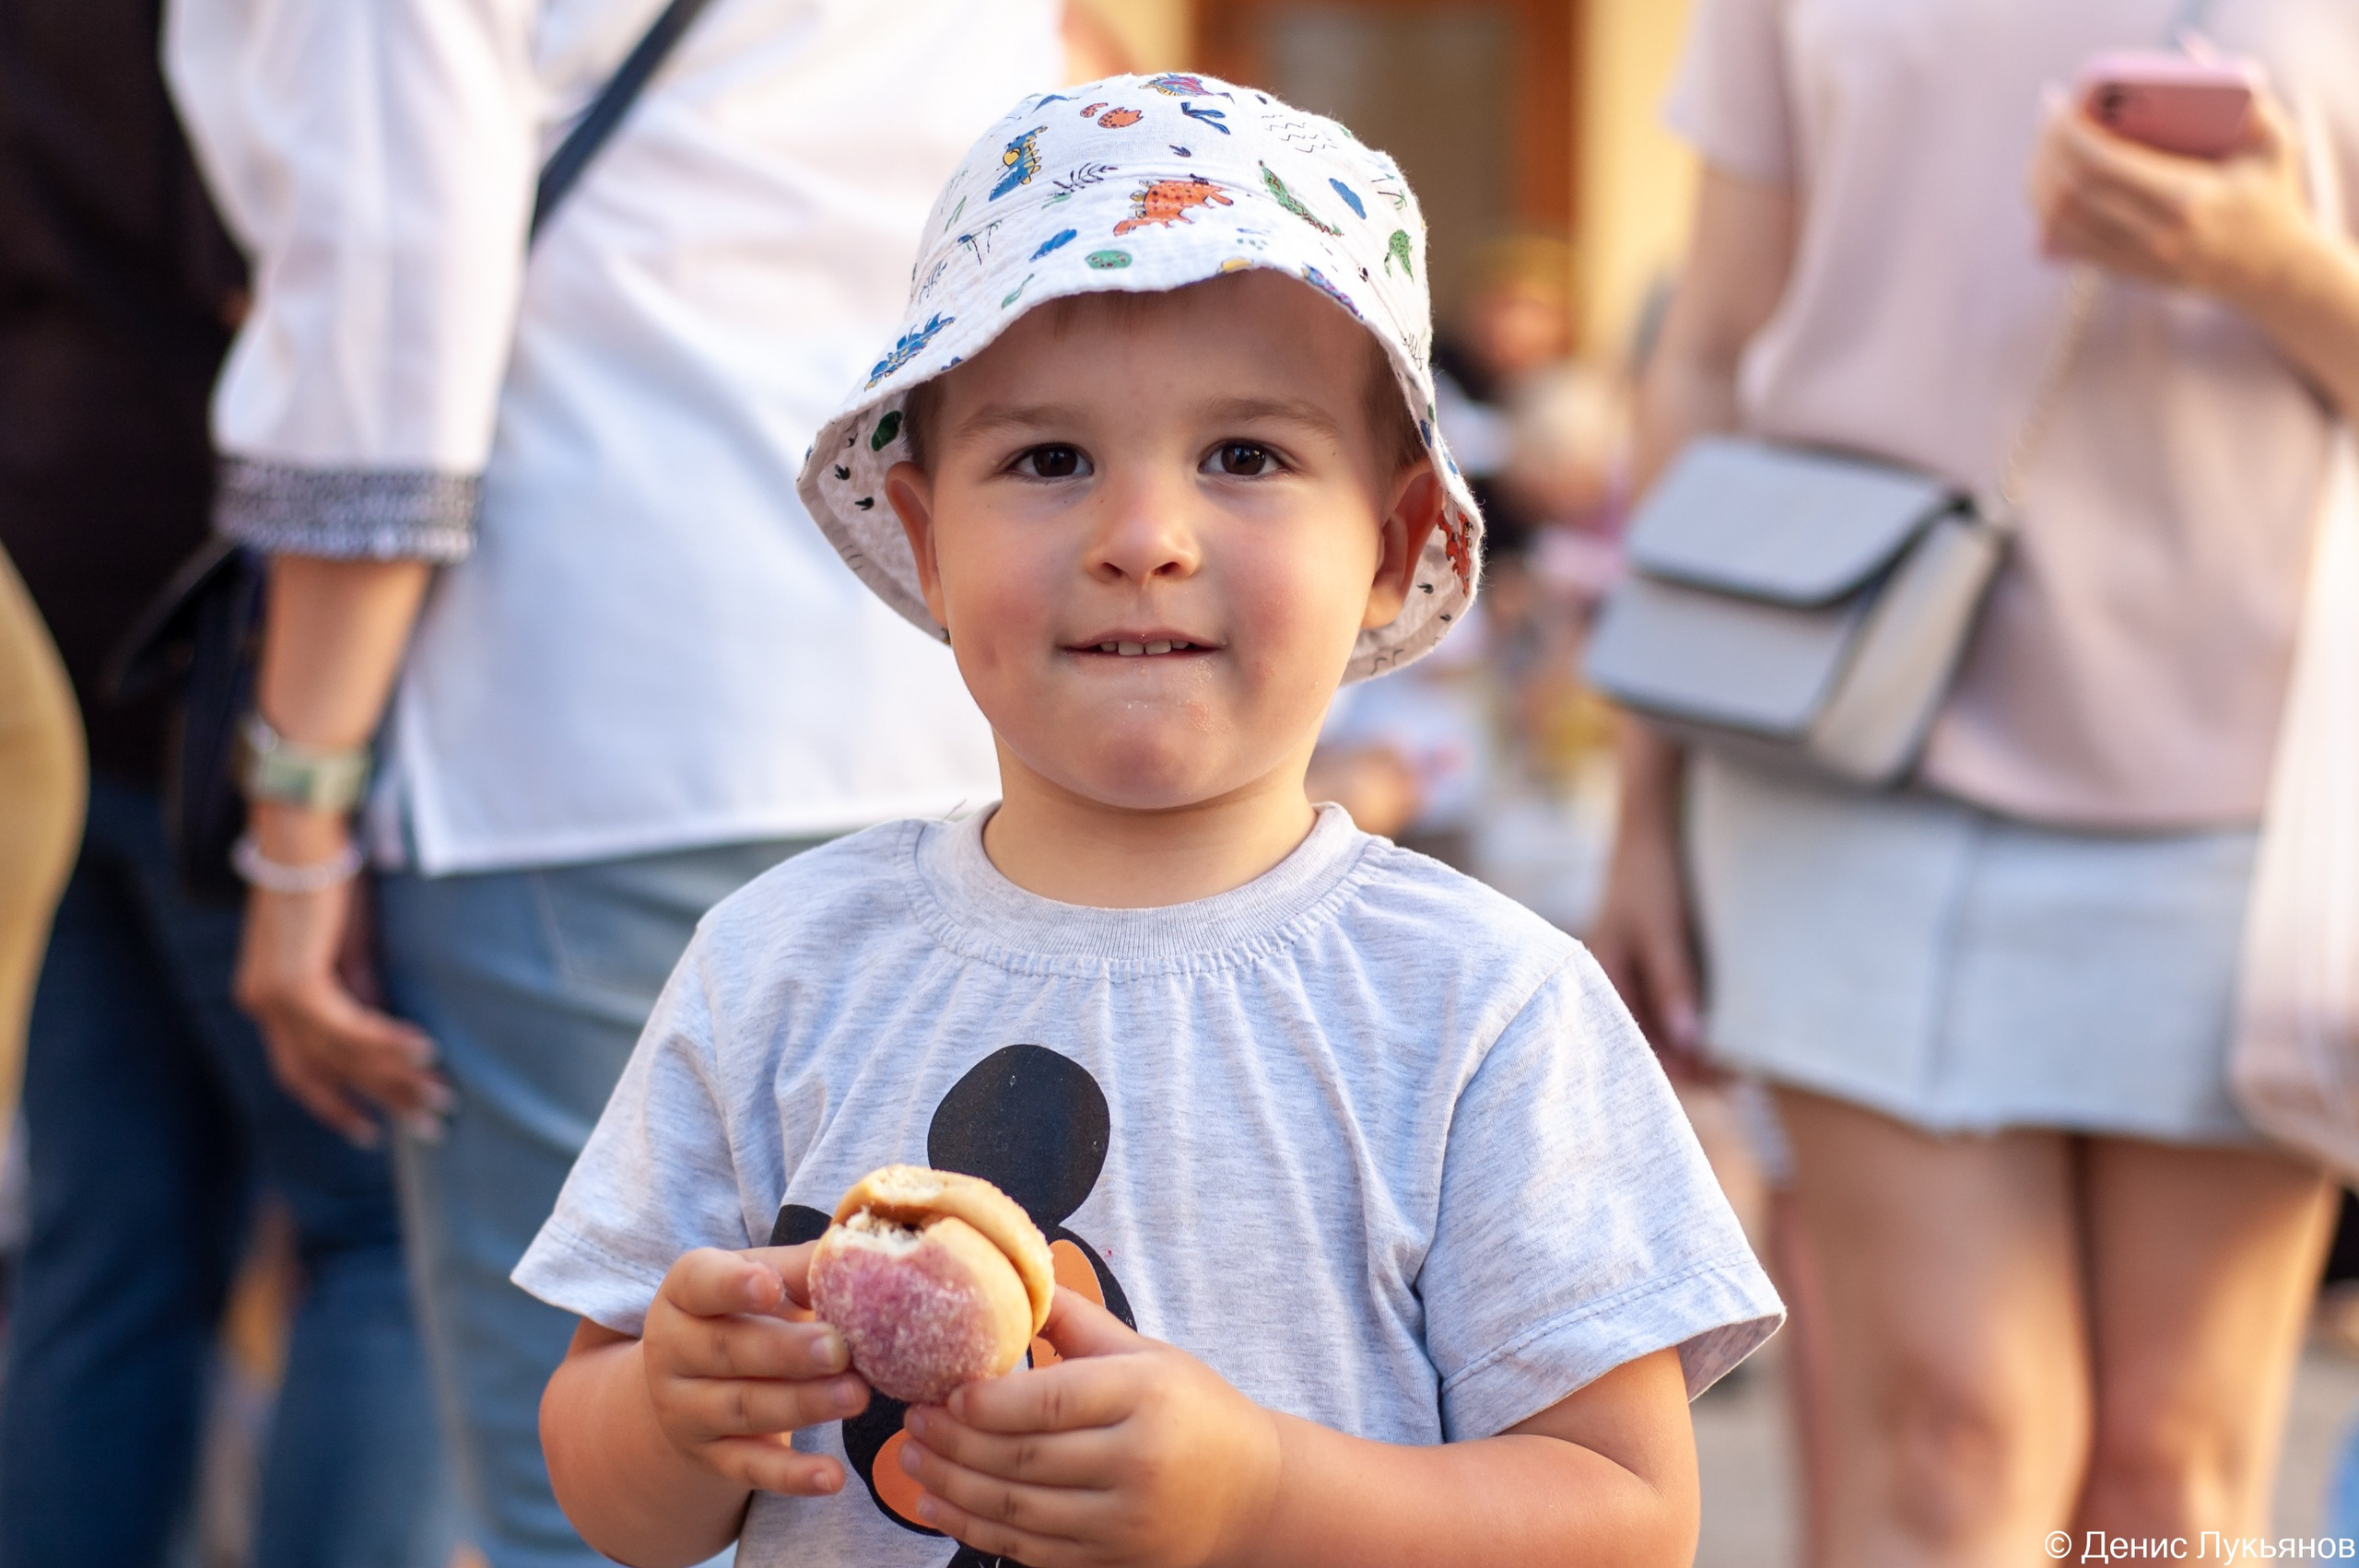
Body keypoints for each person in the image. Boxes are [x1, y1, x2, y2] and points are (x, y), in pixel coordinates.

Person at [515, 79, 1785, 1568]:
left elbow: (1628, 1520)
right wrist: (673, 1405)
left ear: (1392, 549)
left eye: (1245, 456)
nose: (1143, 539)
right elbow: (614, 1495)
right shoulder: (779, 965)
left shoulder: (1486, 1006)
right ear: (927, 539)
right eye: (1048, 460)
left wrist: (1263, 1495)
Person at [163, 1, 1079, 1559]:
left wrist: (297, 823)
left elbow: (391, 326)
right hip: (927, 693)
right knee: (903, 1475)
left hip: (588, 715)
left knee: (600, 1478)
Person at [1589, 0, 2359, 1561]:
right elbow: (1711, 352)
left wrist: (2270, 267)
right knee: (1946, 1444)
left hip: (2247, 801)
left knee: (2173, 1473)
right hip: (1840, 740)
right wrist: (1642, 799)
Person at [0, 3, 453, 1561]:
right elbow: (332, 288)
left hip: (44, 637)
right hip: (242, 652)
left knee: (98, 1247)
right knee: (381, 1247)